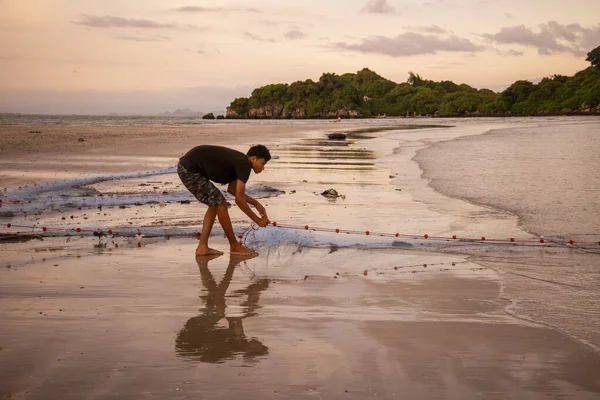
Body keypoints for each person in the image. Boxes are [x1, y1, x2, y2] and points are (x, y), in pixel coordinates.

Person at [177, 144, 271, 256]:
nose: (263, 168)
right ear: (253, 158)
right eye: (263, 163)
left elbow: (232, 189)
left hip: (188, 166)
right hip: (189, 169)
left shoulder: (241, 163)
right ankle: (234, 246)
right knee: (221, 203)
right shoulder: (244, 164)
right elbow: (239, 200)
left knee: (214, 204)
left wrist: (255, 203)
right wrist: (257, 220)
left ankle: (202, 247)